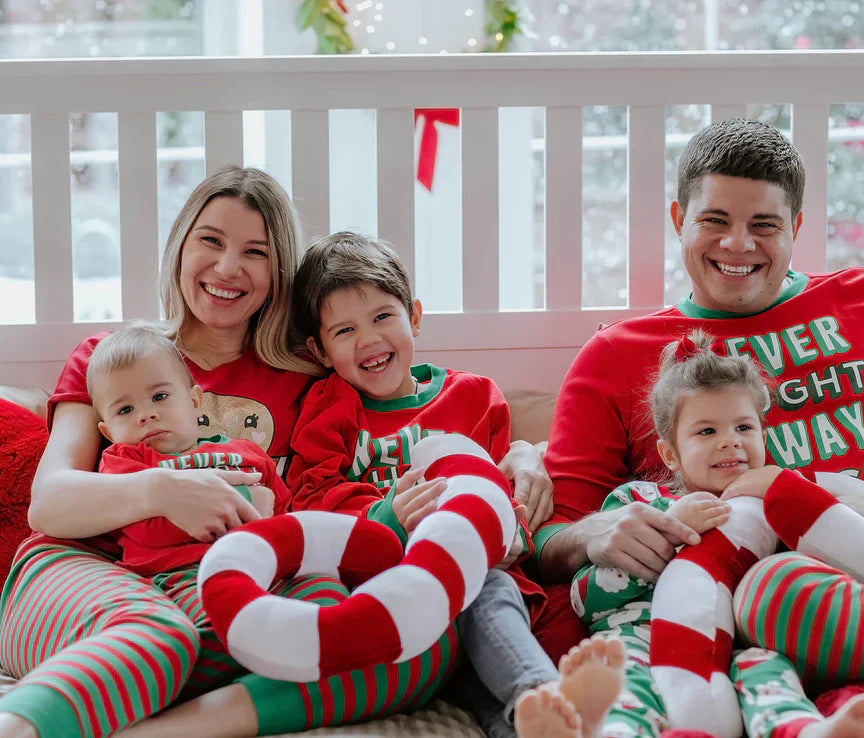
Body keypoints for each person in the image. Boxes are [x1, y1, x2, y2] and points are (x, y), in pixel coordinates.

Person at [534, 118, 864, 735]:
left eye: (763, 224)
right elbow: (553, 537)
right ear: (677, 218)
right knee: (780, 594)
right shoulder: (617, 355)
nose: (738, 245)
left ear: (795, 229)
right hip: (795, 592)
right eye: (715, 220)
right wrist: (602, 532)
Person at [0, 166, 550, 738]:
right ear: (180, 246)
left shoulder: (310, 380)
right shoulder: (114, 358)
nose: (228, 267)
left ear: (277, 272)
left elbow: (416, 416)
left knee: (410, 642)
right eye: (210, 241)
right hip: (90, 573)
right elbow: (50, 502)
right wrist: (164, 490)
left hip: (222, 593)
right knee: (157, 637)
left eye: (255, 252)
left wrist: (521, 453)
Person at [277, 232, 623, 738]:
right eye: (345, 330)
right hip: (386, 583)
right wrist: (386, 518)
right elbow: (309, 499)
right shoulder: (329, 409)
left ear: (414, 316)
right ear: (320, 349)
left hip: (477, 580)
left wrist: (508, 532)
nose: (369, 340)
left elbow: (506, 495)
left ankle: (543, 708)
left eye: (382, 317)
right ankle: (543, 694)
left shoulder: (473, 397)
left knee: (490, 616)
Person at [567, 329, 864, 738]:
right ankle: (615, 731)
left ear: (763, 436)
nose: (729, 443)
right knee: (623, 681)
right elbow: (583, 600)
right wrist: (666, 536)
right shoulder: (641, 502)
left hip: (737, 641)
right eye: (707, 432)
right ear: (671, 454)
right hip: (642, 637)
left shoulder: (778, 510)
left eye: (743, 428)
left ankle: (806, 731)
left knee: (769, 672)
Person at [87, 323, 289, 576]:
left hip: (263, 563)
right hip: (181, 573)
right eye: (125, 410)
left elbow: (280, 506)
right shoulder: (125, 462)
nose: (147, 415)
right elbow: (143, 528)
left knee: (323, 591)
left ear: (194, 401)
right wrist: (246, 501)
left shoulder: (245, 452)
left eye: (159, 397)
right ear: (108, 433)